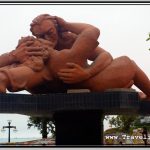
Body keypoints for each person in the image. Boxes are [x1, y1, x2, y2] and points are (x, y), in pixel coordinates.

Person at [0, 16, 150, 101]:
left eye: (49, 32)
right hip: (54, 89)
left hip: (84, 83)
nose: (45, 38)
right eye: (39, 36)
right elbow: (91, 31)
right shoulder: (36, 47)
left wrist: (88, 72)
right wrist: (13, 56)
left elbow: (106, 56)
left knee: (128, 63)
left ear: (57, 28)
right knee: (128, 64)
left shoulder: (69, 40)